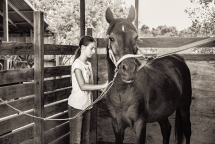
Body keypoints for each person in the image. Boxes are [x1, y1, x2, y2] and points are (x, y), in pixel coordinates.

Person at [68, 35, 108, 144]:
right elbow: (83, 86)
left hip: (87, 105)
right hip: (76, 107)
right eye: (92, 48)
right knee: (76, 140)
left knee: (85, 138)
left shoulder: (88, 64)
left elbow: (90, 85)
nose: (94, 51)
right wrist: (102, 85)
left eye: (94, 48)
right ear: (83, 48)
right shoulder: (77, 64)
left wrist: (102, 90)